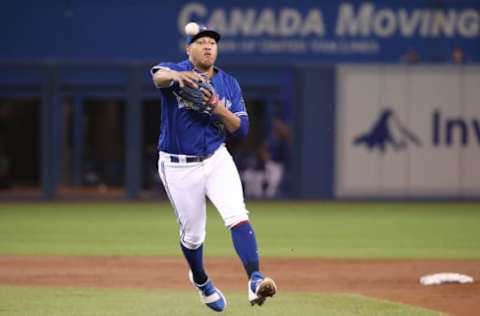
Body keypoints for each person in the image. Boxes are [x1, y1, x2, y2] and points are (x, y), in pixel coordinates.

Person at [150, 22, 277, 312]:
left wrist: (219, 109)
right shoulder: (175, 70)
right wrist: (177, 76)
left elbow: (242, 129)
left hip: (216, 158)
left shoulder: (229, 83)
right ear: (188, 49)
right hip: (178, 165)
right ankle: (201, 280)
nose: (208, 46)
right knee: (193, 236)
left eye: (212, 42)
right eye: (200, 41)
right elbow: (158, 77)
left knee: (237, 215)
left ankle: (254, 278)